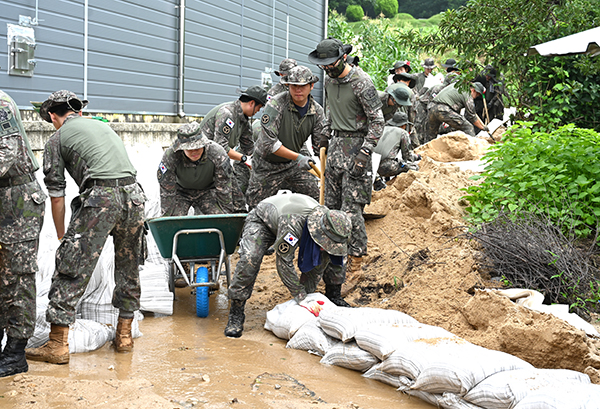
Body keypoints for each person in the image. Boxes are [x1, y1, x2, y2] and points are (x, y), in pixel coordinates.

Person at [25, 90, 147, 365]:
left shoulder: (57, 139)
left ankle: (57, 345)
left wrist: (61, 235)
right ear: (78, 112)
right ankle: (124, 336)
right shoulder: (103, 127)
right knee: (128, 268)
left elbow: (57, 194)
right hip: (135, 197)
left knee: (71, 270)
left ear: (54, 116)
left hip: (101, 200)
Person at [224, 193, 352, 338]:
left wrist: (307, 298)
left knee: (327, 256)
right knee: (250, 258)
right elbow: (283, 262)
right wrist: (300, 295)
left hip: (287, 223)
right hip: (263, 222)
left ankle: (327, 296)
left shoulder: (336, 225)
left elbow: (318, 267)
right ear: (321, 232)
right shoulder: (293, 223)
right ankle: (236, 309)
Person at [308, 37, 384, 277]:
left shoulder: (362, 83)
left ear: (343, 58)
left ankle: (357, 257)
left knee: (351, 211)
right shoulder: (329, 81)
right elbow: (330, 112)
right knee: (331, 208)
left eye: (331, 64)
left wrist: (365, 151)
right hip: (335, 149)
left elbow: (378, 121)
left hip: (357, 147)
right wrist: (323, 136)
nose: (328, 69)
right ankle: (332, 259)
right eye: (324, 66)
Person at [0, 90, 47, 378]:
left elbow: (7, 150)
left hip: (17, 201)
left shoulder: (1, 104)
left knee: (17, 276)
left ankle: (16, 350)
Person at [245, 66, 324, 208]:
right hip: (267, 165)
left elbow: (320, 146)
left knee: (315, 200)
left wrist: (327, 168)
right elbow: (269, 144)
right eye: (294, 86)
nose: (298, 90)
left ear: (311, 86)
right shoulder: (276, 104)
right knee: (256, 209)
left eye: (302, 86)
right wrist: (299, 157)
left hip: (293, 164)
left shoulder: (317, 111)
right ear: (288, 85)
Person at [199, 85, 268, 211]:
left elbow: (249, 147)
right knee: (216, 201)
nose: (259, 111)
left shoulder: (244, 120)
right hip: (203, 161)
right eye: (259, 107)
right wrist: (243, 158)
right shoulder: (227, 113)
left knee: (238, 201)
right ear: (252, 103)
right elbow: (220, 147)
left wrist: (259, 161)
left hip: (219, 161)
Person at [158, 122, 234, 216]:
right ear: (182, 148)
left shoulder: (217, 153)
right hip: (181, 192)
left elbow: (224, 189)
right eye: (189, 149)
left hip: (208, 191)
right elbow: (167, 191)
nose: (194, 151)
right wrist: (166, 220)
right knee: (173, 221)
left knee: (218, 218)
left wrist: (227, 217)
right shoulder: (170, 156)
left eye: (198, 147)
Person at [373, 111, 421, 190]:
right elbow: (407, 156)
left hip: (372, 167)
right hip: (386, 167)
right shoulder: (403, 133)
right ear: (403, 125)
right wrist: (416, 157)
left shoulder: (382, 129)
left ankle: (378, 181)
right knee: (414, 167)